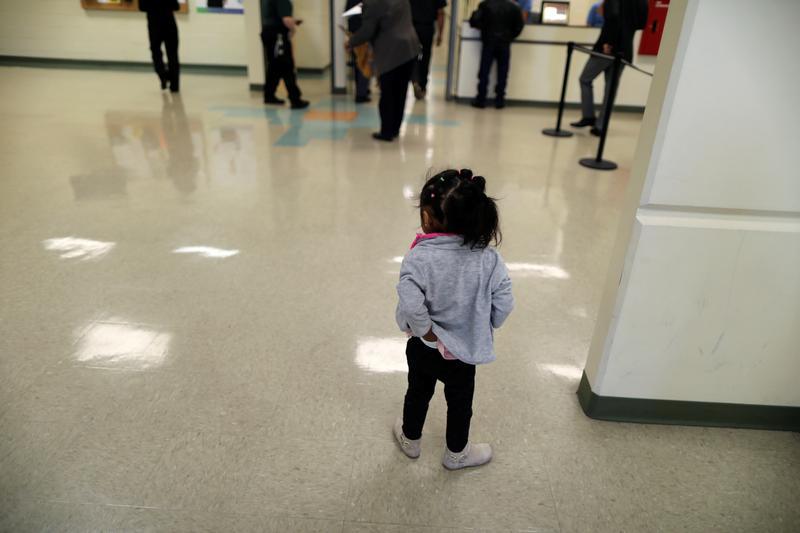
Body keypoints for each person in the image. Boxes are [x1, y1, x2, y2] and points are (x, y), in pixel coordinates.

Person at [394, 168, 514, 470]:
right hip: (465, 351)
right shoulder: (490, 260)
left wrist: (426, 331)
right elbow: (504, 301)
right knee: (460, 403)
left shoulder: (419, 257)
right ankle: (457, 454)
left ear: (426, 218)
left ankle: (410, 440)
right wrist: (489, 324)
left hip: (425, 347)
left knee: (418, 393)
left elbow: (410, 300)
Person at [348, 0, 421, 142]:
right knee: (400, 91)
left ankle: (386, 132)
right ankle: (395, 128)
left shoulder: (375, 3)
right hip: (410, 47)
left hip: (391, 51)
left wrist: (350, 42)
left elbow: (367, 31)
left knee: (388, 93)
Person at [571, 0, 645, 135]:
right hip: (625, 49)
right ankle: (600, 126)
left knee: (585, 79)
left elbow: (612, 17)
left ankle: (588, 116)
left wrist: (608, 42)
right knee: (610, 90)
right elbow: (641, 23)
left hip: (607, 48)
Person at [469, 0, 524, 109]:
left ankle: (481, 99)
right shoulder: (514, 8)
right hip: (504, 44)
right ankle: (499, 100)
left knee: (484, 71)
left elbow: (474, 21)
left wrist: (484, 28)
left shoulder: (485, 5)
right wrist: (509, 37)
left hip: (489, 42)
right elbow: (519, 26)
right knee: (503, 72)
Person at [260, 0, 309, 109]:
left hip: (269, 32)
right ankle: (295, 99)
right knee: (287, 65)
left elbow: (275, 16)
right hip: (277, 35)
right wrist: (292, 29)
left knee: (274, 66)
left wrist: (293, 21)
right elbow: (286, 19)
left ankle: (269, 95)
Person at [409, 0, 447, 100]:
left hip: (412, 27)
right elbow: (440, 13)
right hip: (427, 28)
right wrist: (440, 34)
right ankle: (422, 86)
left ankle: (414, 79)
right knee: (425, 57)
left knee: (414, 56)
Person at [139, 0, 180, 92]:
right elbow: (176, 6)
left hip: (154, 23)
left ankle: (162, 75)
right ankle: (174, 85)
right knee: (173, 54)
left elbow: (142, 7)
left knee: (155, 51)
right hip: (169, 22)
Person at [345, 0, 372, 103]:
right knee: (364, 62)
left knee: (359, 62)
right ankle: (361, 94)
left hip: (354, 32)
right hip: (362, 32)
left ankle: (363, 90)